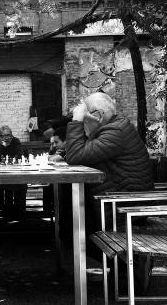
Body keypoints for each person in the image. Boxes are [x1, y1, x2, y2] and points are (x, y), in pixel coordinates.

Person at [65, 92, 154, 289]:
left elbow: (76, 156)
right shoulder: (113, 128)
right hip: (119, 199)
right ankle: (123, 268)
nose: (81, 117)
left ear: (97, 114)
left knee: (73, 228)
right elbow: (84, 152)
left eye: (84, 113)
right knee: (70, 220)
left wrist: (77, 121)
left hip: (126, 207)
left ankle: (130, 264)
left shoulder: (115, 132)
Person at [0, 125, 28, 222]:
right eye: (4, 136)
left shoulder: (15, 141)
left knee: (22, 184)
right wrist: (2, 146)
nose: (7, 138)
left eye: (9, 135)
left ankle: (19, 212)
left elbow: (20, 155)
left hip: (14, 173)